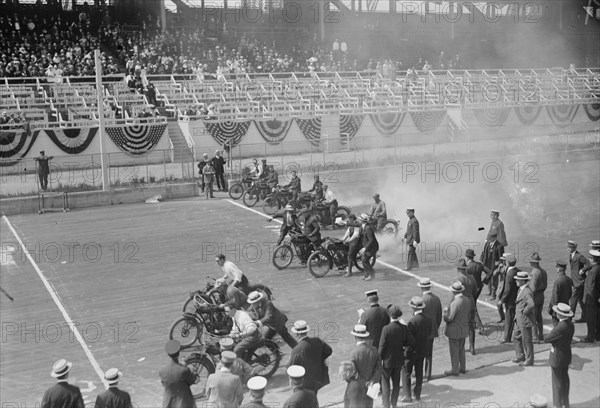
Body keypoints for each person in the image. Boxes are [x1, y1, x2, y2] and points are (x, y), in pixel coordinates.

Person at [379, 304, 413, 408]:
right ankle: (394, 404)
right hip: (399, 360)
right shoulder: (403, 328)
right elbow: (410, 342)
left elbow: (382, 346)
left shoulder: (386, 329)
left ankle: (386, 404)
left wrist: (379, 359)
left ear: (389, 315)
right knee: (396, 384)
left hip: (387, 361)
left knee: (385, 384)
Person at [288, 320, 332, 395]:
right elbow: (329, 351)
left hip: (304, 383)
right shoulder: (317, 341)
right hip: (317, 379)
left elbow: (290, 368)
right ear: (306, 331)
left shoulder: (297, 349)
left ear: (297, 334)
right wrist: (323, 358)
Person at [545, 303, 575, 408]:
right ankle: (565, 403)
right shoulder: (571, 325)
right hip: (566, 356)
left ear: (559, 315)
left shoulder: (559, 328)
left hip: (557, 357)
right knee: (565, 380)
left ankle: (558, 404)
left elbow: (547, 339)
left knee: (557, 381)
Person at [402, 297, 432, 402]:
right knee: (419, 372)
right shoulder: (427, 319)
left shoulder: (412, 321)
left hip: (411, 351)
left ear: (413, 308)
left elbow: (409, 339)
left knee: (406, 373)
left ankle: (407, 395)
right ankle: (417, 393)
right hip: (422, 350)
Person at [348, 324, 382, 408]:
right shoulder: (374, 350)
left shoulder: (353, 353)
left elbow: (352, 374)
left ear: (355, 337)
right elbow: (379, 369)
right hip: (370, 389)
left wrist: (364, 383)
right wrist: (372, 381)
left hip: (357, 389)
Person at [443, 281, 472, 376]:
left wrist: (445, 314)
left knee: (454, 350)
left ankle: (455, 369)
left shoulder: (455, 303)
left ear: (453, 291)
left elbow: (449, 318)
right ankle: (462, 368)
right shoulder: (467, 300)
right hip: (463, 329)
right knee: (461, 349)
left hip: (454, 330)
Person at [159, 340, 196, 408]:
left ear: (168, 354)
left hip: (169, 404)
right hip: (185, 403)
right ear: (178, 353)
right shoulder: (184, 370)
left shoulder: (162, 371)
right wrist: (190, 369)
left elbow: (165, 384)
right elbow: (192, 380)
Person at [418, 278, 442, 381]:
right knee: (429, 353)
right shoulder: (436, 299)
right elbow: (439, 316)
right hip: (432, 330)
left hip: (421, 331)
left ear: (422, 287)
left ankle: (418, 374)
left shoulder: (421, 300)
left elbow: (417, 318)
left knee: (419, 354)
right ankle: (428, 373)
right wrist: (435, 326)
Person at [513, 271, 535, 366]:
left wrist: (524, 312)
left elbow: (531, 305)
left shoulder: (526, 291)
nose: (516, 281)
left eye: (518, 280)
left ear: (522, 281)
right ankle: (520, 356)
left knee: (526, 340)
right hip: (518, 320)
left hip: (524, 320)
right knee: (516, 337)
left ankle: (529, 359)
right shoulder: (521, 289)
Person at [456, 259, 478, 354]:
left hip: (462, 304)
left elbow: (455, 294)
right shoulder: (472, 277)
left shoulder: (458, 279)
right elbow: (475, 292)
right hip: (471, 303)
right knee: (471, 326)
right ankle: (472, 347)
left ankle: (461, 347)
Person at [567, 240, 591, 322]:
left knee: (573, 300)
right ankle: (585, 317)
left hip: (579, 282)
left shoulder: (579, 256)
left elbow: (589, 264)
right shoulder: (571, 255)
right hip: (576, 281)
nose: (568, 249)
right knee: (581, 301)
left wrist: (583, 270)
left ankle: (569, 318)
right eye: (568, 247)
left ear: (574, 247)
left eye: (569, 247)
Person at [499, 255, 520, 343]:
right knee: (513, 318)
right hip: (516, 298)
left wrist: (502, 300)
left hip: (510, 300)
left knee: (508, 319)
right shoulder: (517, 271)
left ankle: (506, 337)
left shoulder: (509, 274)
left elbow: (507, 289)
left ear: (507, 263)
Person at [529, 252, 548, 343]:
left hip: (535, 296)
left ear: (534, 263)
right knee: (539, 317)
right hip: (541, 296)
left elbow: (532, 288)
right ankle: (541, 335)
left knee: (533, 318)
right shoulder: (543, 271)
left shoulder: (534, 273)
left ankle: (535, 337)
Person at [582, 249, 600, 342]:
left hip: (591, 299)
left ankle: (590, 337)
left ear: (593, 259)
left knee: (590, 319)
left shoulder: (593, 271)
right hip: (596, 298)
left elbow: (591, 287)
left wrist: (588, 299)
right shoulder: (597, 268)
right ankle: (597, 335)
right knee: (597, 318)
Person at [548, 260, 573, 326]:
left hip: (558, 309)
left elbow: (554, 298)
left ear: (558, 269)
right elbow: (570, 293)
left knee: (556, 327)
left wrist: (553, 309)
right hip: (565, 306)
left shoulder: (558, 281)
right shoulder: (568, 279)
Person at [480, 232, 505, 299]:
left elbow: (501, 257)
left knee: (494, 280)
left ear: (495, 238)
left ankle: (493, 294)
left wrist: (499, 263)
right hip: (487, 265)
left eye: (491, 238)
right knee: (489, 278)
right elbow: (483, 252)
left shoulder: (499, 246)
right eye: (489, 237)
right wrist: (481, 260)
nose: (489, 239)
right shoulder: (487, 243)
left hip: (495, 266)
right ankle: (490, 291)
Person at [358, 213, 378, 281]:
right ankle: (366, 274)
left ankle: (372, 274)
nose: (359, 220)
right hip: (368, 246)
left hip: (372, 247)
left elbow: (371, 240)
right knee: (363, 259)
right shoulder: (362, 226)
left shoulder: (368, 228)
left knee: (364, 259)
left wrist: (365, 248)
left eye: (360, 219)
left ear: (363, 221)